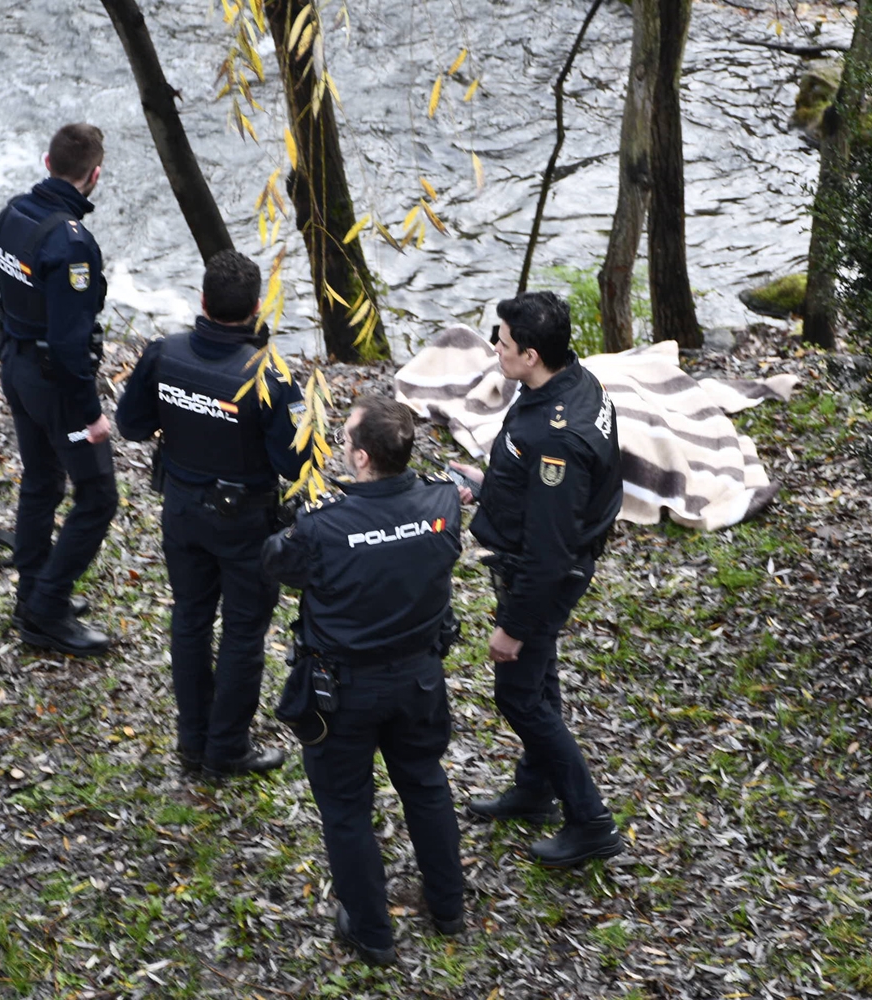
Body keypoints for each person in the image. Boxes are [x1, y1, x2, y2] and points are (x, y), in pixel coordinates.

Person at [262, 395, 465, 967]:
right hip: (420, 679)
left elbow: (277, 561)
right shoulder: (443, 503)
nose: (341, 447)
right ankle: (449, 906)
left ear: (362, 457)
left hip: (342, 692)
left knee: (347, 809)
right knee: (425, 785)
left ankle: (372, 932)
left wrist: (290, 514)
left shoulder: (323, 527)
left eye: (346, 439)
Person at [449, 290, 626, 868]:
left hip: (545, 573)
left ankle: (591, 820)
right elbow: (543, 491)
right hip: (546, 551)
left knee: (520, 695)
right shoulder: (578, 381)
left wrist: (513, 625)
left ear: (529, 354)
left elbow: (550, 551)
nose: (494, 349)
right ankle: (534, 790)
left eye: (500, 342)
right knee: (540, 679)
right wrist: (489, 483)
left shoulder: (556, 439)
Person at [115, 250, 304, 780]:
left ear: (202, 301)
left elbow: (130, 425)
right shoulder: (269, 373)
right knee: (244, 631)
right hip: (244, 520)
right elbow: (295, 460)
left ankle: (193, 740)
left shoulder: (164, 354)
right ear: (256, 308)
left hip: (182, 509)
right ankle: (225, 749)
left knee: (191, 619)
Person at [0, 123, 117, 657]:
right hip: (52, 383)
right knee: (98, 496)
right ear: (95, 175)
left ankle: (31, 594)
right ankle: (46, 610)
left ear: (47, 162)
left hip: (16, 364)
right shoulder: (71, 245)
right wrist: (91, 416)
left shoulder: (12, 215)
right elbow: (69, 346)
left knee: (41, 481)